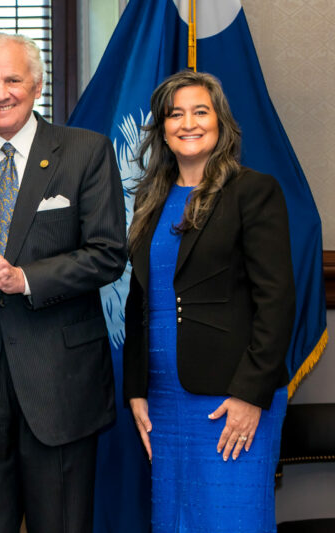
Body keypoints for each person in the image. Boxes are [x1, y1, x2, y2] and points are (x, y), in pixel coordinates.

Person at [0, 33, 127, 532]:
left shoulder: (86, 151)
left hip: (61, 383)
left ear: (37, 85)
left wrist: (24, 279)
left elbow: (107, 254)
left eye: (12, 80)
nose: (0, 93)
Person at [123, 70, 295, 533]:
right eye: (175, 114)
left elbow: (277, 302)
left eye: (200, 111)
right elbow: (139, 301)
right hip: (163, 400)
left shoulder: (252, 191)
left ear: (221, 122)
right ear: (162, 128)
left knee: (231, 521)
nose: (188, 123)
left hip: (231, 397)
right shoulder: (150, 200)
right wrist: (136, 388)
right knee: (174, 522)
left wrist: (250, 394)